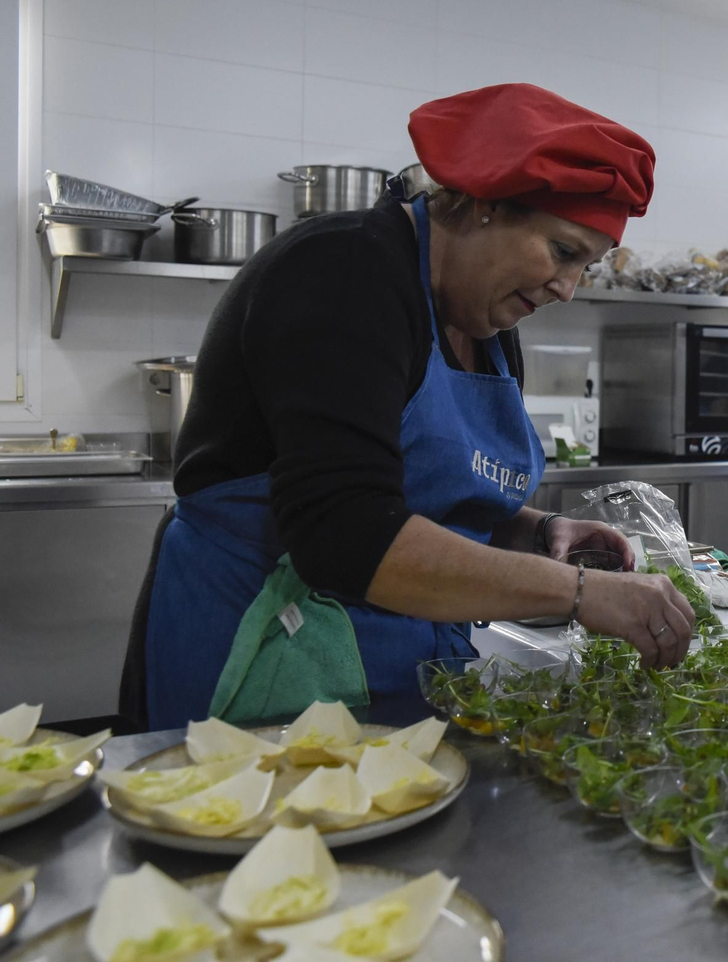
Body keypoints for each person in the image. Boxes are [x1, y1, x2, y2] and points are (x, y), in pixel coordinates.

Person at [124, 83, 697, 731]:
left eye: (587, 266)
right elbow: (346, 531)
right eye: (563, 251)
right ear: (483, 203)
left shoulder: (486, 319)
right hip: (257, 650)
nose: (568, 288)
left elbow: (417, 492)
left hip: (389, 658)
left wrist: (534, 531)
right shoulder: (342, 272)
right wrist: (580, 593)